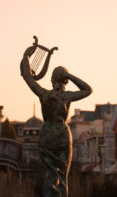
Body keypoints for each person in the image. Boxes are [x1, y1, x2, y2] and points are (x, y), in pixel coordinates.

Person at [20, 45, 92, 197]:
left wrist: (27, 55)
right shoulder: (66, 97)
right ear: (65, 81)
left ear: (52, 80)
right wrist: (70, 75)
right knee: (62, 179)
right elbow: (87, 90)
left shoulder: (43, 94)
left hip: (46, 138)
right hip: (62, 139)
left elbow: (27, 76)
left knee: (50, 176)